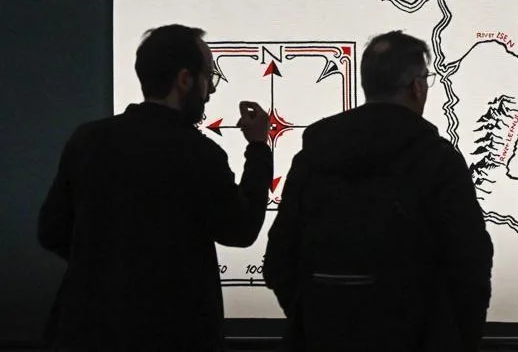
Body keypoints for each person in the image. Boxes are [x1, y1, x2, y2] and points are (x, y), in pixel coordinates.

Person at [37, 24, 273, 352]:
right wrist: (259, 148)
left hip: (87, 330)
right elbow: (241, 230)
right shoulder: (199, 154)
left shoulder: (87, 141)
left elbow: (51, 231)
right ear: (184, 79)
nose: (210, 91)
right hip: (175, 332)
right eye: (208, 77)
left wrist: (103, 265)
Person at [263, 30, 493, 352]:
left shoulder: (312, 158)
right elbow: (470, 267)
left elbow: (278, 261)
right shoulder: (438, 162)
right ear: (417, 86)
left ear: (367, 85)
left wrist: (316, 318)